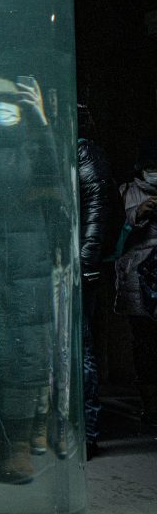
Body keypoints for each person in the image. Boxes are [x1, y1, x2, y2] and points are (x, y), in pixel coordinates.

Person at [75, 122, 120, 459]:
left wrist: (87, 262)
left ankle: (87, 434)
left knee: (82, 345)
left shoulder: (83, 152)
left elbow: (98, 209)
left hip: (77, 264)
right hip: (59, 260)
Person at [114, 141, 157, 427]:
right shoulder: (125, 192)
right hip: (136, 277)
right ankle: (150, 406)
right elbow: (113, 235)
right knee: (145, 345)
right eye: (152, 168)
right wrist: (138, 214)